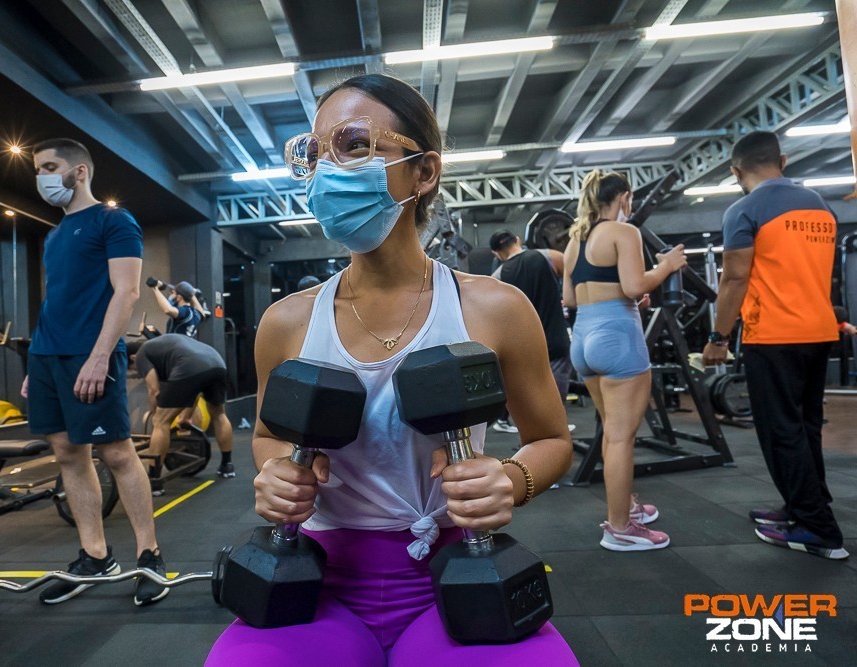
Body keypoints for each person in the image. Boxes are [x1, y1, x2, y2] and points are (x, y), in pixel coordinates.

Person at [207, 74, 577, 665]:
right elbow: (271, 436)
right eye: (316, 152)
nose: (329, 169)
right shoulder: (286, 322)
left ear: (423, 172)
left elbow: (552, 440)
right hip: (316, 579)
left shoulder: (496, 308)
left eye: (354, 145)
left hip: (461, 571)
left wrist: (511, 479)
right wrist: (276, 472)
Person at [22, 137, 169, 606]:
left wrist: (101, 355)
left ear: (79, 171)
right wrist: (37, 361)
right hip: (48, 355)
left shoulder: (113, 220)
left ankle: (150, 555)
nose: (42, 177)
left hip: (91, 353)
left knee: (118, 453)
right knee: (68, 453)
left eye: (49, 167)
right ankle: (96, 555)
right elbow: (57, 299)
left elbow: (127, 292)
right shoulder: (54, 235)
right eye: (38, 169)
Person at [702, 131, 848, 560]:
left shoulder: (744, 210)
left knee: (782, 431)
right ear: (782, 161)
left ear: (736, 172)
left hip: (774, 335)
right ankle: (804, 506)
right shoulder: (820, 206)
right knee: (805, 427)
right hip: (819, 331)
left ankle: (818, 529)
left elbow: (734, 278)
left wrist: (718, 337)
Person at [562, 170, 686, 552]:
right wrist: (667, 265)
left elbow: (571, 299)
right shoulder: (624, 232)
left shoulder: (575, 240)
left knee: (612, 434)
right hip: (616, 335)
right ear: (624, 198)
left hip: (584, 338)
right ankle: (619, 528)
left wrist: (629, 297)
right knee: (621, 437)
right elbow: (634, 286)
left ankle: (625, 506)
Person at [128, 336, 236, 493]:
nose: (137, 372)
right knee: (219, 414)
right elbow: (195, 390)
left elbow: (154, 390)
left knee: (161, 423)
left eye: (133, 368)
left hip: (190, 366)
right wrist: (186, 416)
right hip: (217, 363)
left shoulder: (141, 355)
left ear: (132, 358)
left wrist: (157, 416)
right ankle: (227, 465)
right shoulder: (164, 348)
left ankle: (154, 481)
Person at [490, 229, 573, 401]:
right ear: (518, 240)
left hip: (527, 352)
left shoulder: (497, 279)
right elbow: (575, 278)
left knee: (536, 404)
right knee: (556, 403)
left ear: (496, 253)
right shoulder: (549, 256)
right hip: (557, 343)